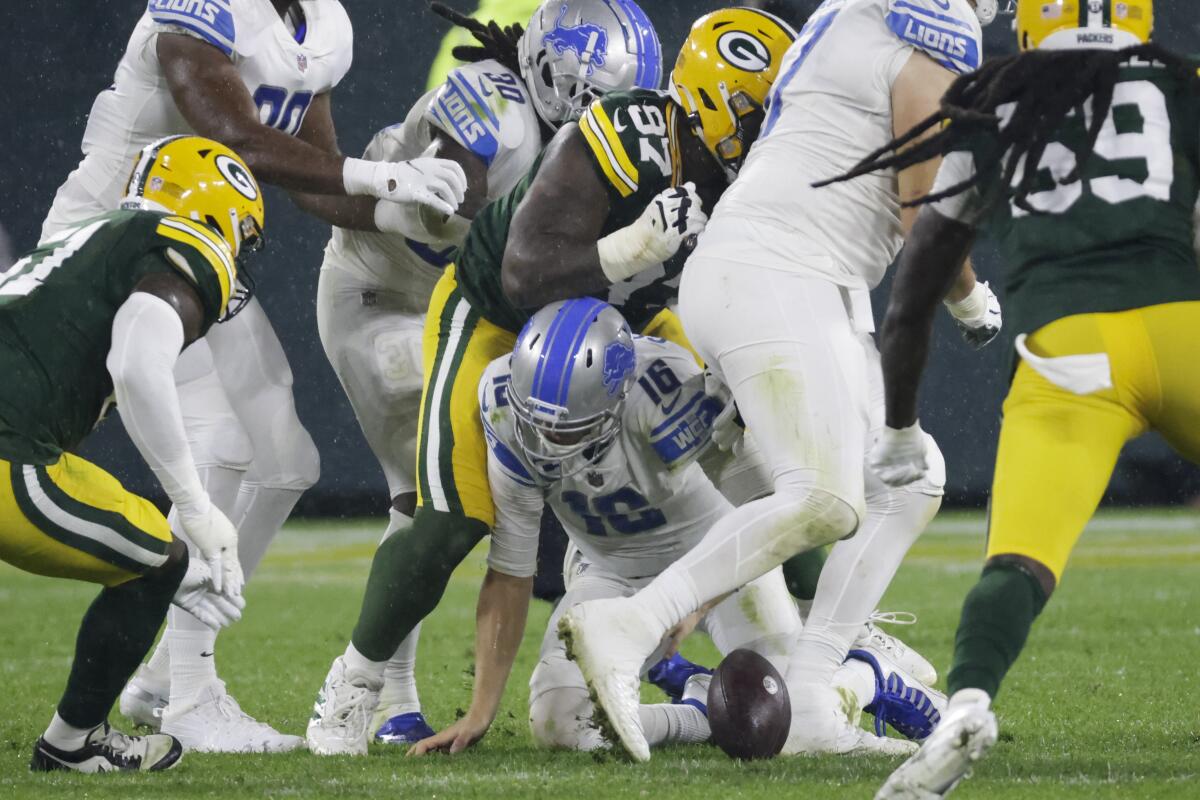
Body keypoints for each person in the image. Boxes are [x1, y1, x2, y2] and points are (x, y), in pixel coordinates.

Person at [303, 5, 785, 757]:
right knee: (451, 513)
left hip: (619, 306)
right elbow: (521, 271)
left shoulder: (718, 170)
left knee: (762, 454)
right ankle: (356, 684)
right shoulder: (535, 120)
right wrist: (625, 250)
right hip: (493, 305)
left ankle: (834, 656)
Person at [557, 0, 1007, 762]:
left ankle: (811, 698)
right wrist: (966, 294)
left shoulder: (858, 13)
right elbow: (922, 190)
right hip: (778, 272)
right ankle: (631, 624)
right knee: (824, 497)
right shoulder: (932, 20)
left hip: (793, 272)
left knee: (911, 476)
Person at [41, 0, 466, 753]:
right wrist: (386, 173)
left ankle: (163, 683)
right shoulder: (205, 8)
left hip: (195, 253)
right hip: (112, 244)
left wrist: (413, 214)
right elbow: (232, 134)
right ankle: (191, 691)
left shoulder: (325, 25)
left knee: (285, 459)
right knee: (226, 445)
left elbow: (316, 185)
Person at [819, 3, 1198, 797]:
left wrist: (897, 427)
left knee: (1019, 558)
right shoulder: (1180, 86)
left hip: (1069, 356)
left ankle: (965, 706)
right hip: (1182, 327)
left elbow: (913, 292)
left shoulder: (996, 105)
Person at [409, 299, 945, 755]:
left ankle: (867, 675)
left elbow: (762, 499)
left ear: (617, 398)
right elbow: (510, 569)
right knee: (558, 723)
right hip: (609, 570)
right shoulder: (503, 403)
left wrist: (689, 601)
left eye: (567, 429)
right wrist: (480, 711)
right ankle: (697, 709)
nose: (547, 441)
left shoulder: (662, 389)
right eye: (539, 422)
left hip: (717, 561)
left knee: (791, 726)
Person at [314, 0, 637, 745]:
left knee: (451, 489)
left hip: (460, 299)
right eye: (601, 106)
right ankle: (369, 689)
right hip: (379, 293)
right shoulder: (496, 110)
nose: (611, 124)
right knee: (433, 491)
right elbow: (464, 200)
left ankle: (390, 697)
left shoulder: (558, 121)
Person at [2, 135, 259, 773]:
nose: (238, 254)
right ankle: (73, 743)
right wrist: (195, 508)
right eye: (242, 235)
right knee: (158, 561)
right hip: (8, 452)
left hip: (18, 436)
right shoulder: (185, 243)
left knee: (149, 541)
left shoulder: (97, 235)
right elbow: (138, 365)